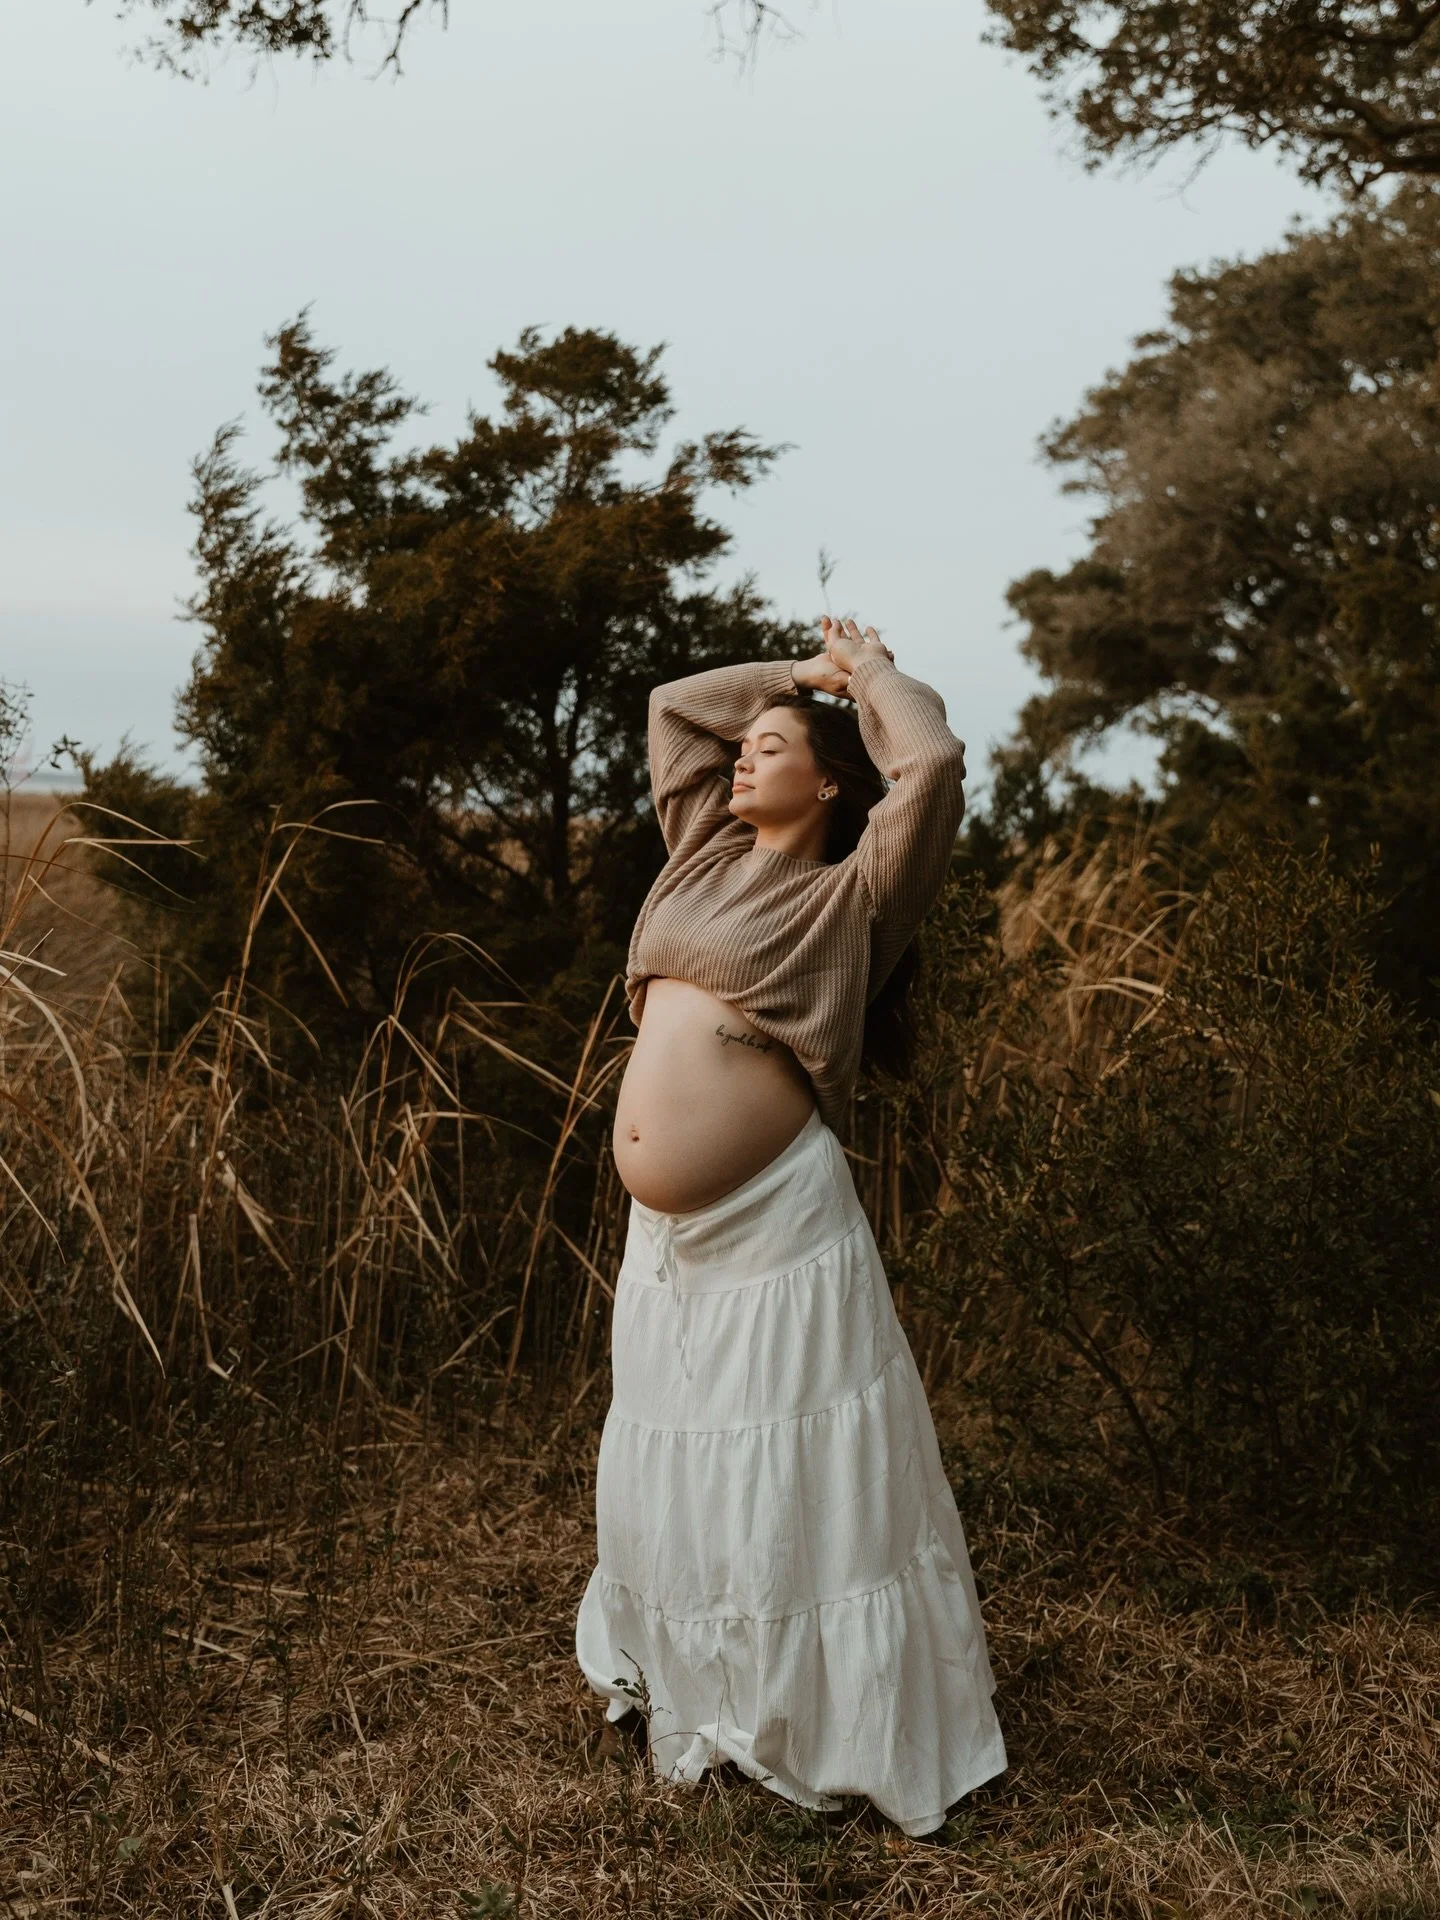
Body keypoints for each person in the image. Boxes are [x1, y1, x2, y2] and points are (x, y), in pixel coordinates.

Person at [574, 614, 1007, 1836]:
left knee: (788, 1465)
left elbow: (927, 766)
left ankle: (821, 1720)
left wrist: (868, 677)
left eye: (775, 749)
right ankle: (700, 1688)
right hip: (672, 1248)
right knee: (690, 1454)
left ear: (828, 783)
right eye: (745, 750)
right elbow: (674, 705)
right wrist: (793, 680)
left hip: (776, 1229)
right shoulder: (697, 857)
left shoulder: (853, 898)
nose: (744, 760)